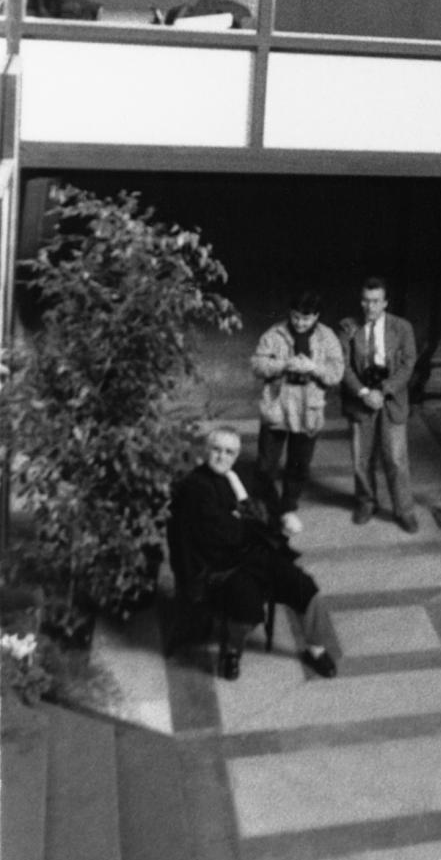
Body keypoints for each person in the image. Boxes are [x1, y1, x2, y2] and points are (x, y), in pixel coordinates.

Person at [168, 425, 337, 679]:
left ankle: (315, 649)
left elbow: (268, 501)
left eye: (229, 452)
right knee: (246, 604)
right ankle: (232, 652)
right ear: (205, 451)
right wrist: (254, 523)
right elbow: (221, 535)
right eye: (216, 450)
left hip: (259, 552)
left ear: (236, 455)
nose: (222, 457)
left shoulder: (246, 473)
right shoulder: (195, 486)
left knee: (305, 588)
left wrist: (281, 516)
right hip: (222, 565)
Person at [250, 291, 345, 521]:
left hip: (308, 408)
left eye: (306, 319)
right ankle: (268, 507)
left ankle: (289, 505)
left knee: (299, 464)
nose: (300, 323)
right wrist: (283, 365)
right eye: (295, 317)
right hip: (277, 405)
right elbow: (256, 364)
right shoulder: (275, 333)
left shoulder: (327, 337)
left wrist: (313, 368)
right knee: (265, 465)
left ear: (317, 316)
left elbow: (336, 373)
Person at [339, 278, 420, 531]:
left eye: (375, 301)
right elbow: (342, 365)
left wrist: (383, 391)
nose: (369, 306)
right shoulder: (348, 327)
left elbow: (408, 364)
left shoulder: (402, 327)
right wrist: (364, 393)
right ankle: (366, 502)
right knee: (361, 458)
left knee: (396, 458)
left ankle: (404, 509)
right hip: (361, 398)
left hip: (391, 399)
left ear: (385, 302)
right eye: (365, 300)